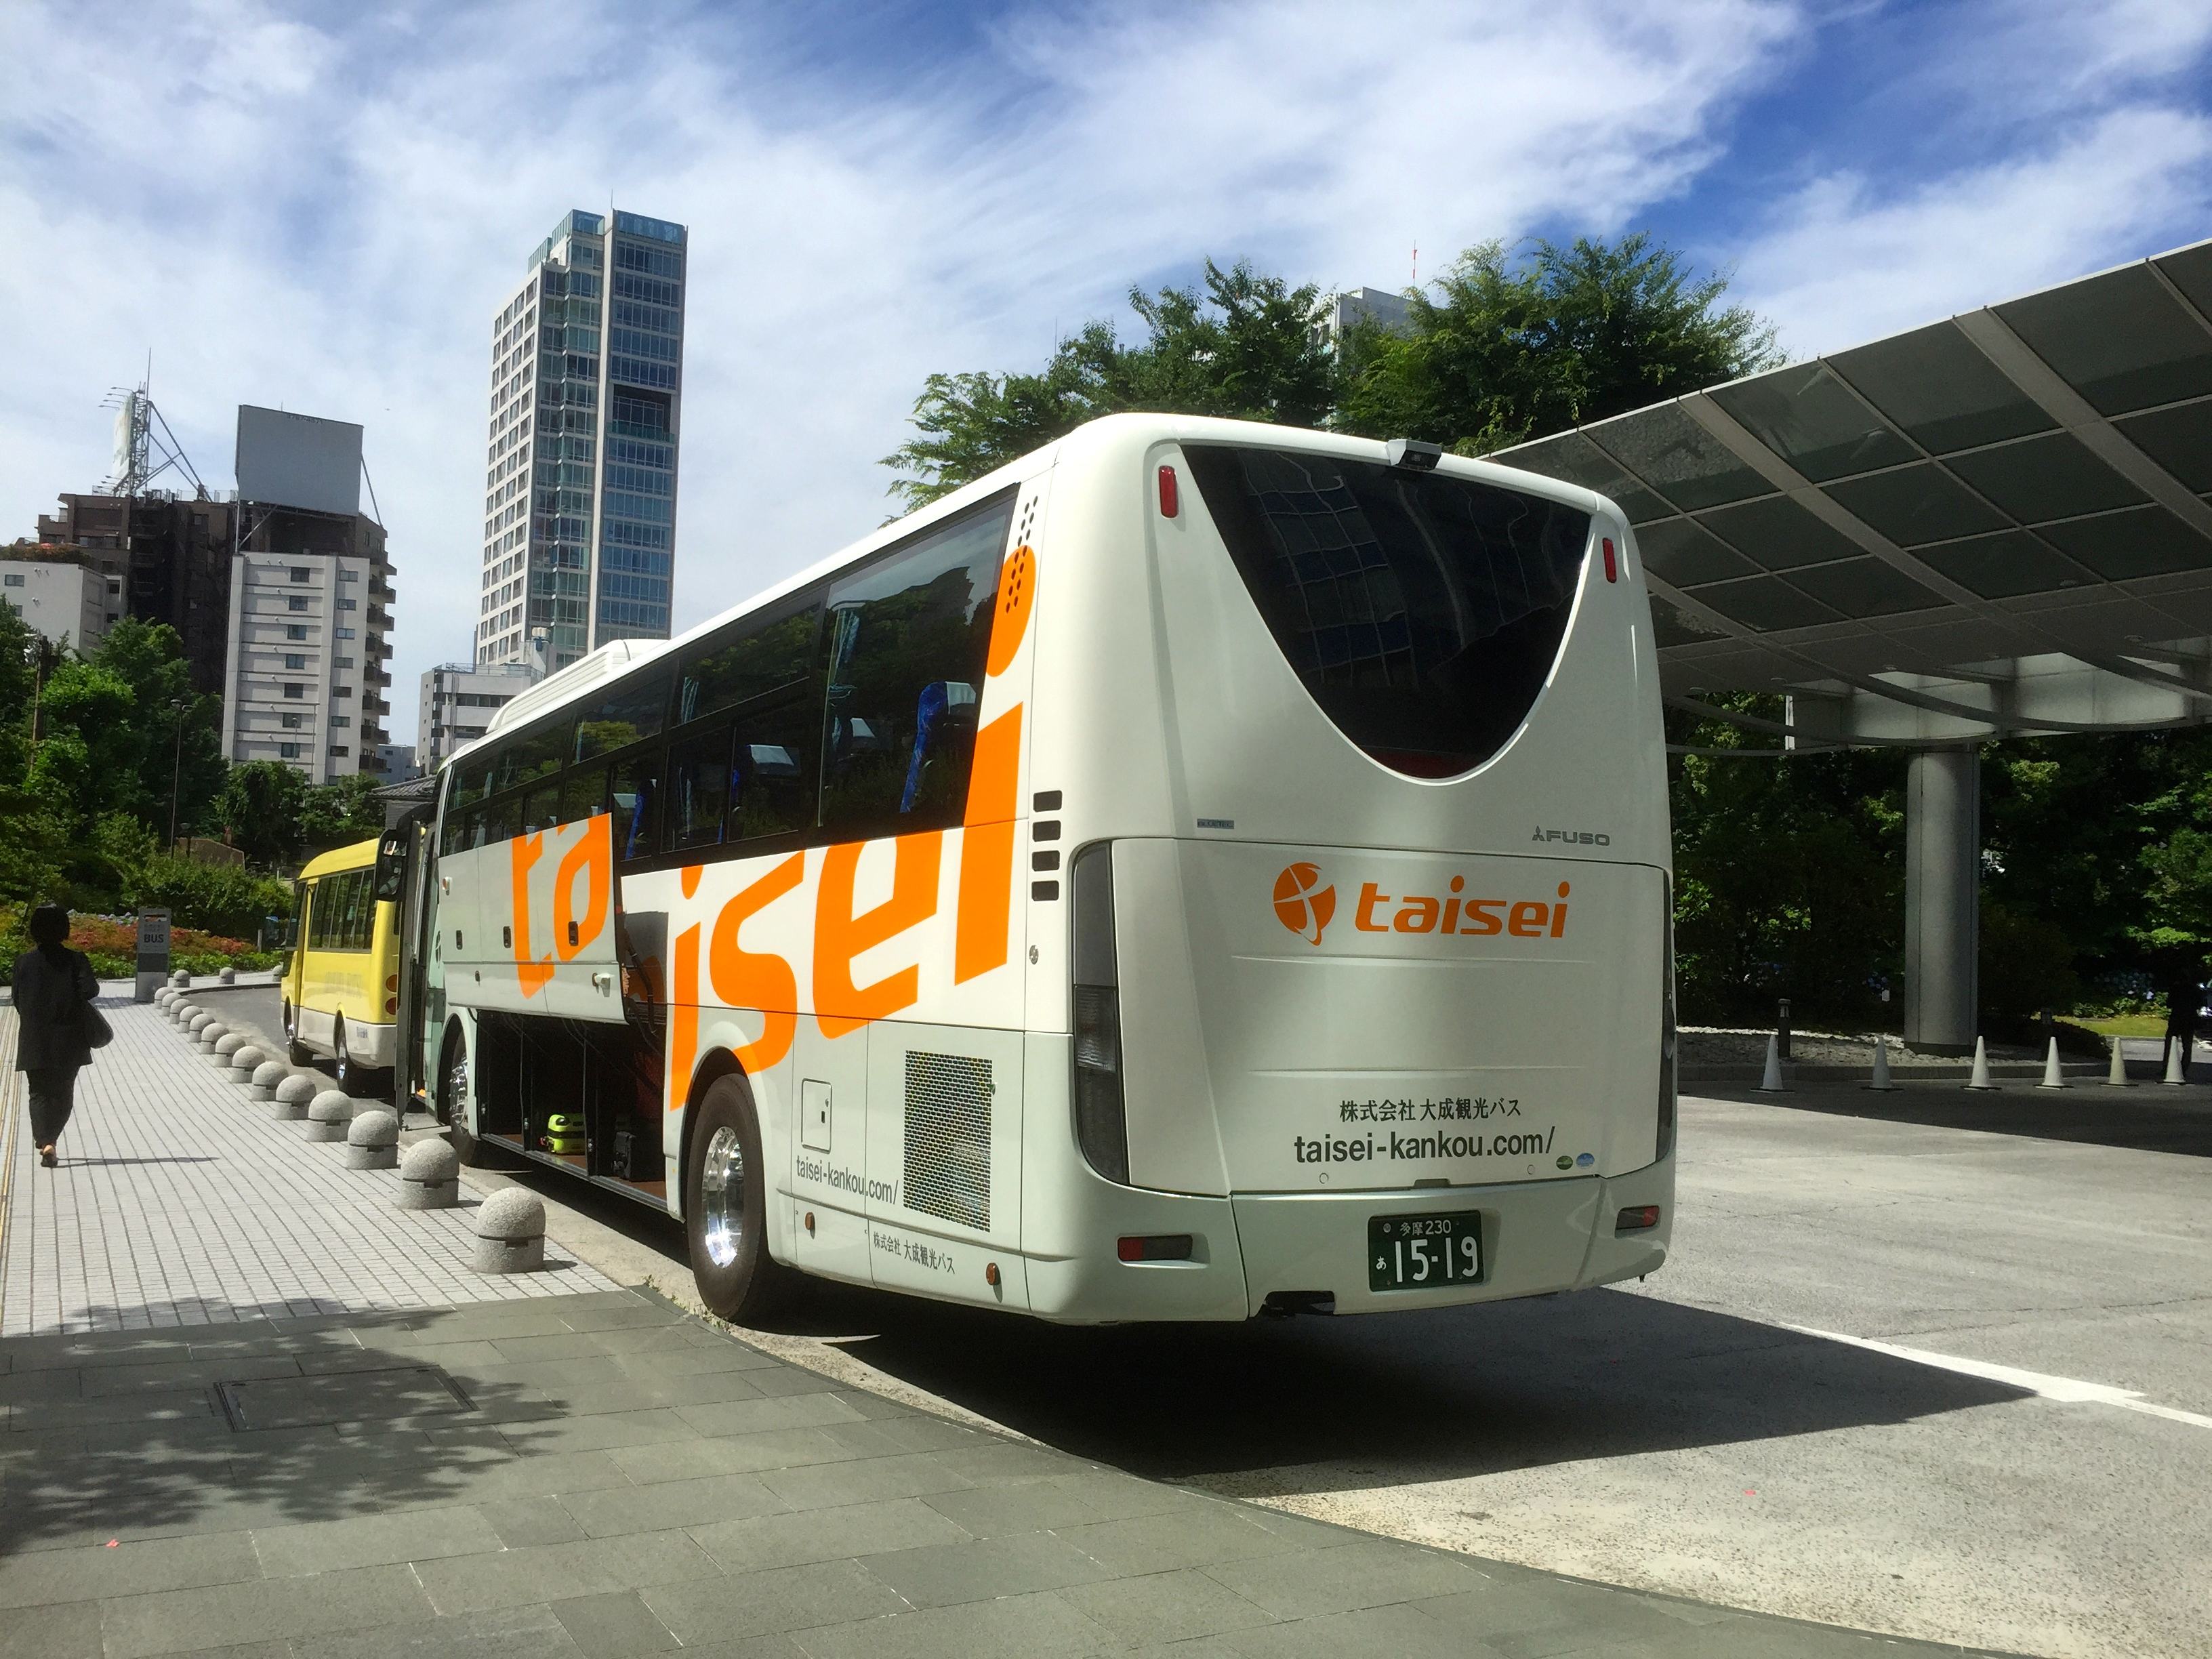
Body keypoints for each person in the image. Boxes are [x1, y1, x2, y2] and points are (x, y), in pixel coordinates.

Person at [12, 903, 99, 1167]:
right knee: (63, 1091)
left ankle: (44, 1140)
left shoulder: (23, 962)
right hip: (69, 1037)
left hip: (34, 1037)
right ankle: (51, 1140)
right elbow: (90, 991)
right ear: (64, 928)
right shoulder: (76, 960)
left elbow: (17, 999)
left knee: (38, 1092)